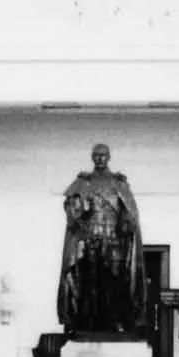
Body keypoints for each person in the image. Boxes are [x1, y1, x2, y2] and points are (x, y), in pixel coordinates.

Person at [57, 143, 146, 336]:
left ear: (109, 157)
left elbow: (130, 212)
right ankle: (86, 323)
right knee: (88, 283)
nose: (99, 158)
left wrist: (127, 223)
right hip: (90, 240)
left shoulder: (118, 182)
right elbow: (70, 207)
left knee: (114, 281)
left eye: (103, 155)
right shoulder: (83, 181)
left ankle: (116, 321)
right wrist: (76, 211)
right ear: (92, 157)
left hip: (114, 241)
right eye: (96, 155)